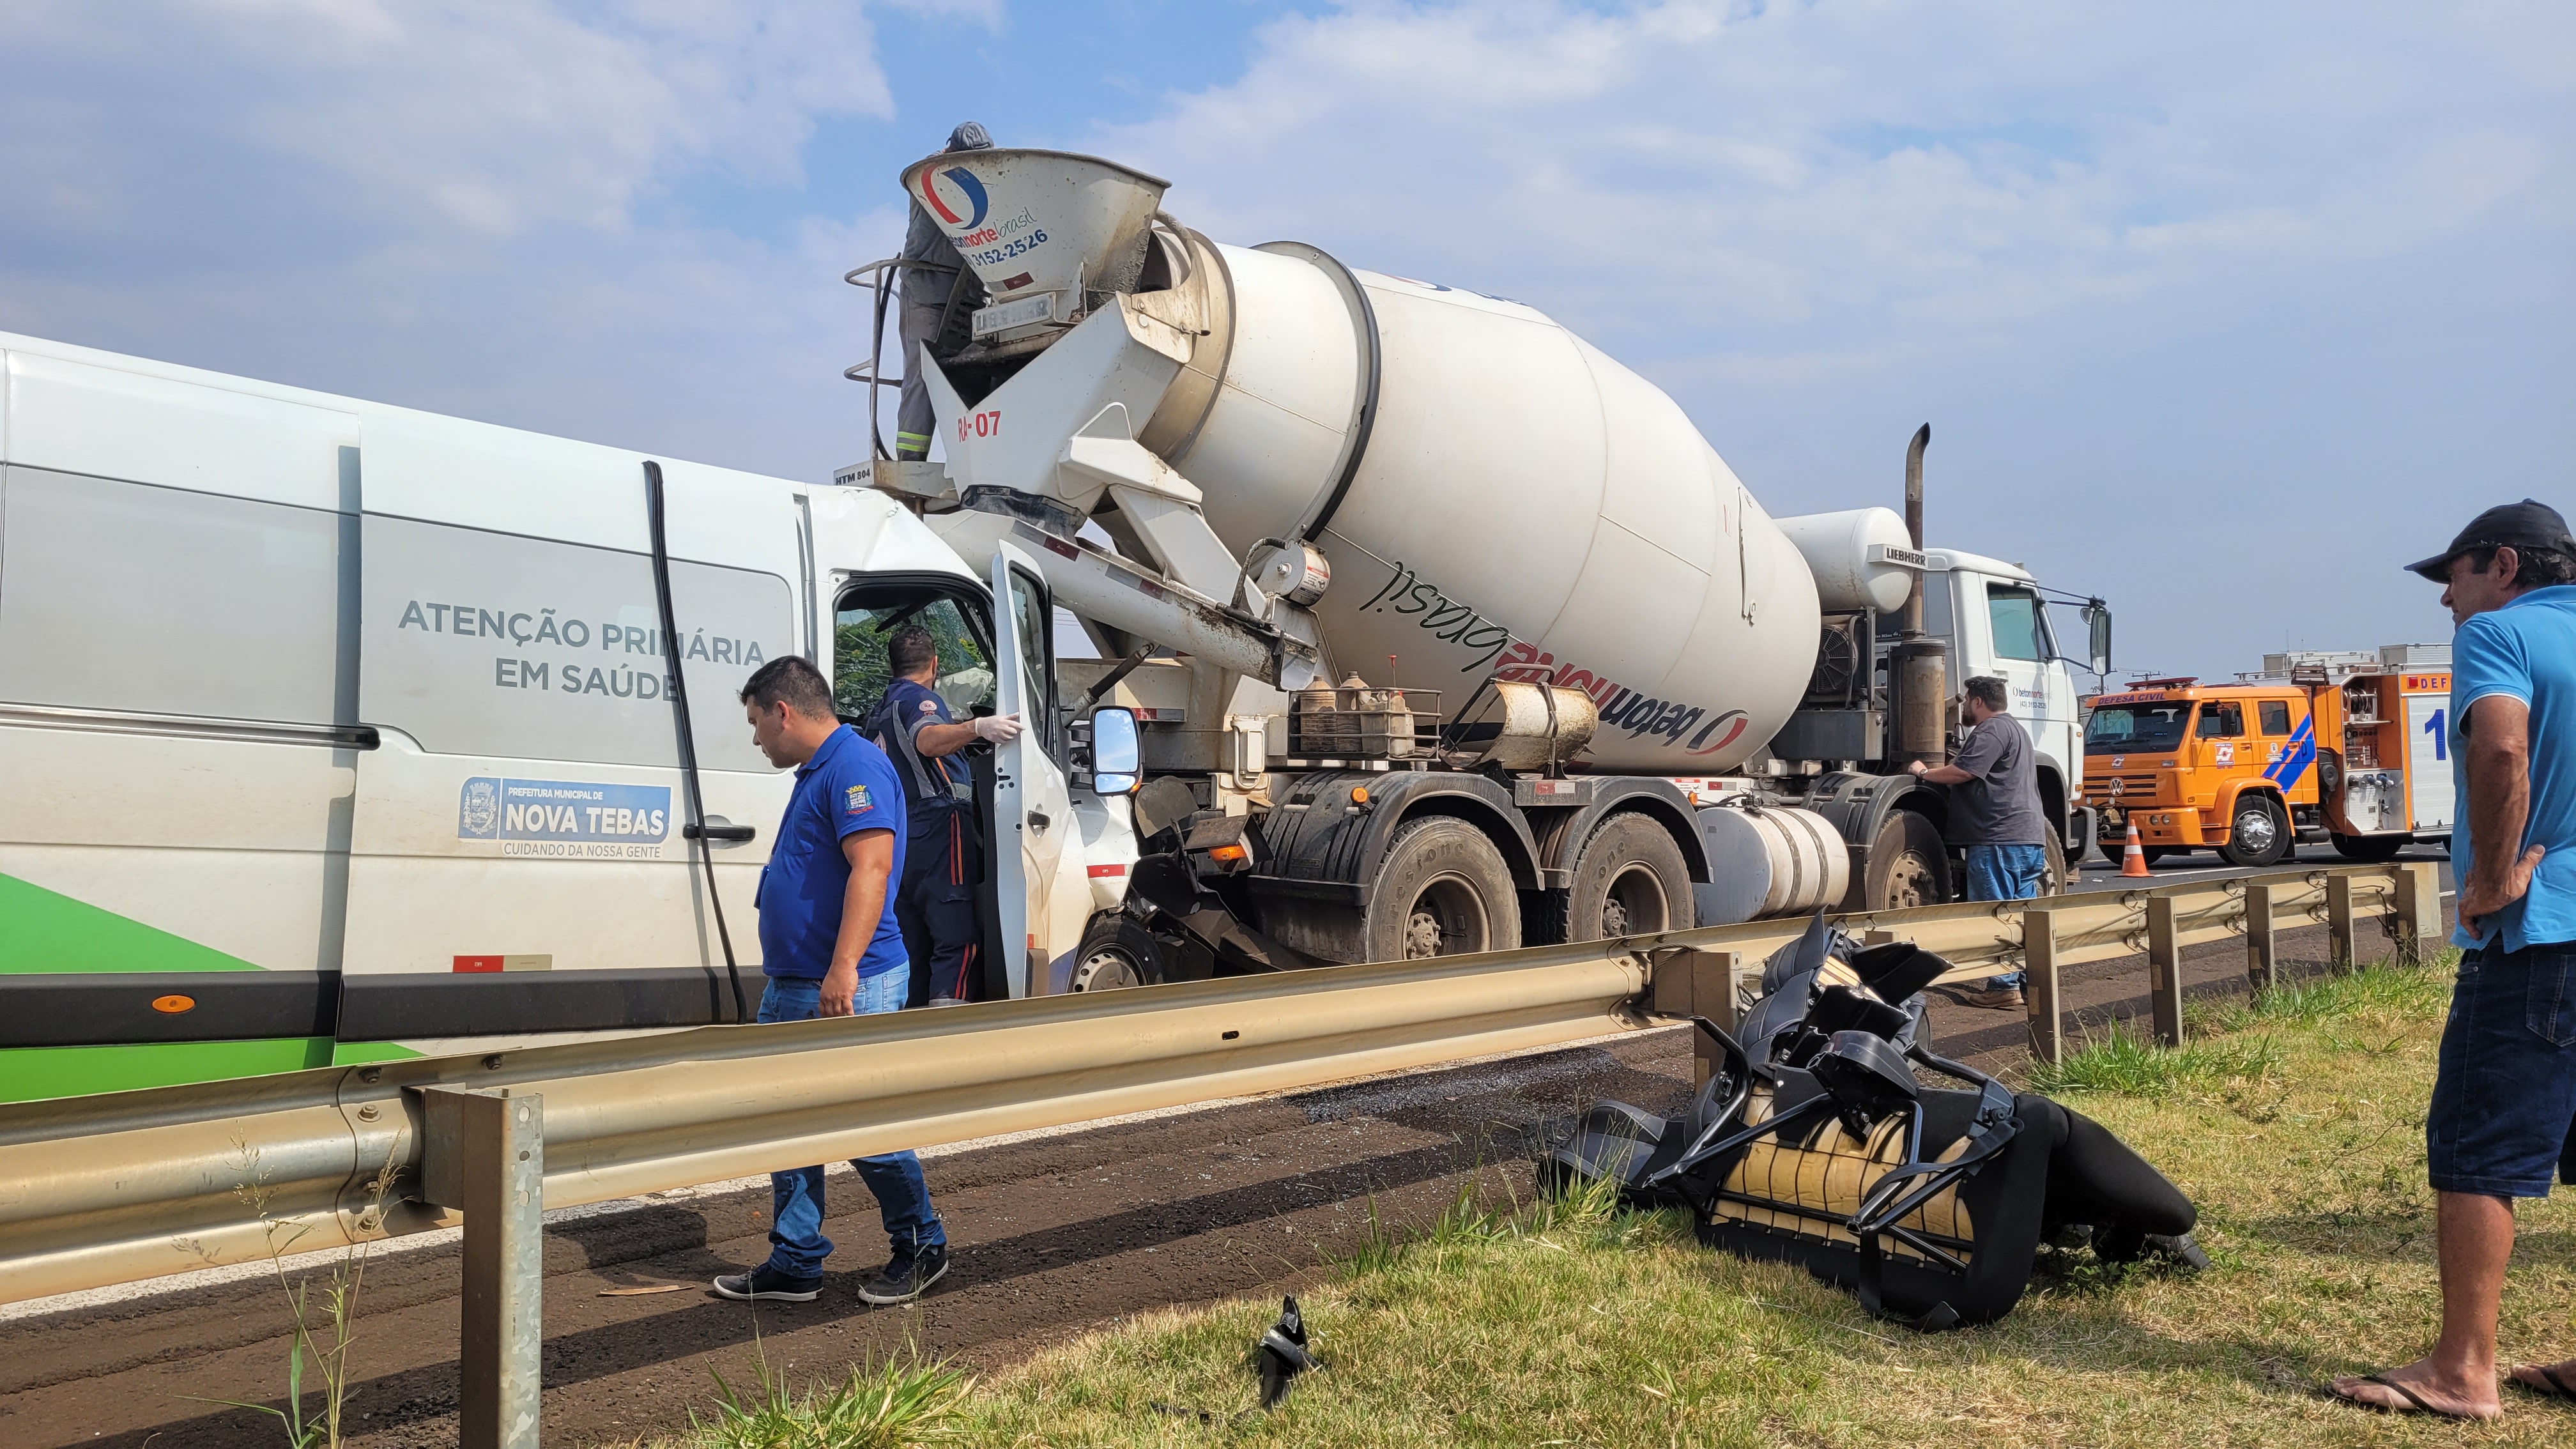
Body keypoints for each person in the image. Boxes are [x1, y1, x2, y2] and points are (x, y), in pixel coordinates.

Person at [2331, 500, 2576, 1420]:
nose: (2446, 602)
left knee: (2478, 1146)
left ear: (2504, 564)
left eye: (2455, 576)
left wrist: (2491, 879)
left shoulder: (2499, 634)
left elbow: (2502, 746)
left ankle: (2462, 1371)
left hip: (2544, 930)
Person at [713, 656, 950, 1305]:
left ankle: (921, 1244)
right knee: (790, 1121)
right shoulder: (819, 769)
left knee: (860, 1123)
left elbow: (871, 870)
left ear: (783, 711)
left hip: (852, 978)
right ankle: (795, 1259)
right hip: (799, 979)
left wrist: (843, 965)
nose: (756, 737)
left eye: (757, 722)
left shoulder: (854, 766)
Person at [865, 625, 1020, 1006]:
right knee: (956, 935)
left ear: (893, 665)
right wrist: (977, 727)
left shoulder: (877, 711)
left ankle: (914, 1018)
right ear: (935, 664)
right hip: (938, 825)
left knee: (912, 937)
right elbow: (929, 738)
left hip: (899, 833)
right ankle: (951, 1022)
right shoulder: (918, 699)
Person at [1910, 675, 2048, 1010]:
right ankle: (2029, 979)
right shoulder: (2017, 730)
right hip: (2027, 837)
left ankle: (2002, 986)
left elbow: (1965, 772)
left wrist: (1924, 773)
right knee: (2020, 914)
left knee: (1995, 913)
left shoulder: (1991, 731)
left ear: (1978, 702)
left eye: (1968, 699)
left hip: (1998, 838)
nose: (1965, 707)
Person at [893, 122, 995, 462]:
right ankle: (911, 461)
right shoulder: (930, 177)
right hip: (925, 290)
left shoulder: (983, 181)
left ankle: (973, 461)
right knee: (924, 378)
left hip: (966, 295)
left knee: (974, 373)